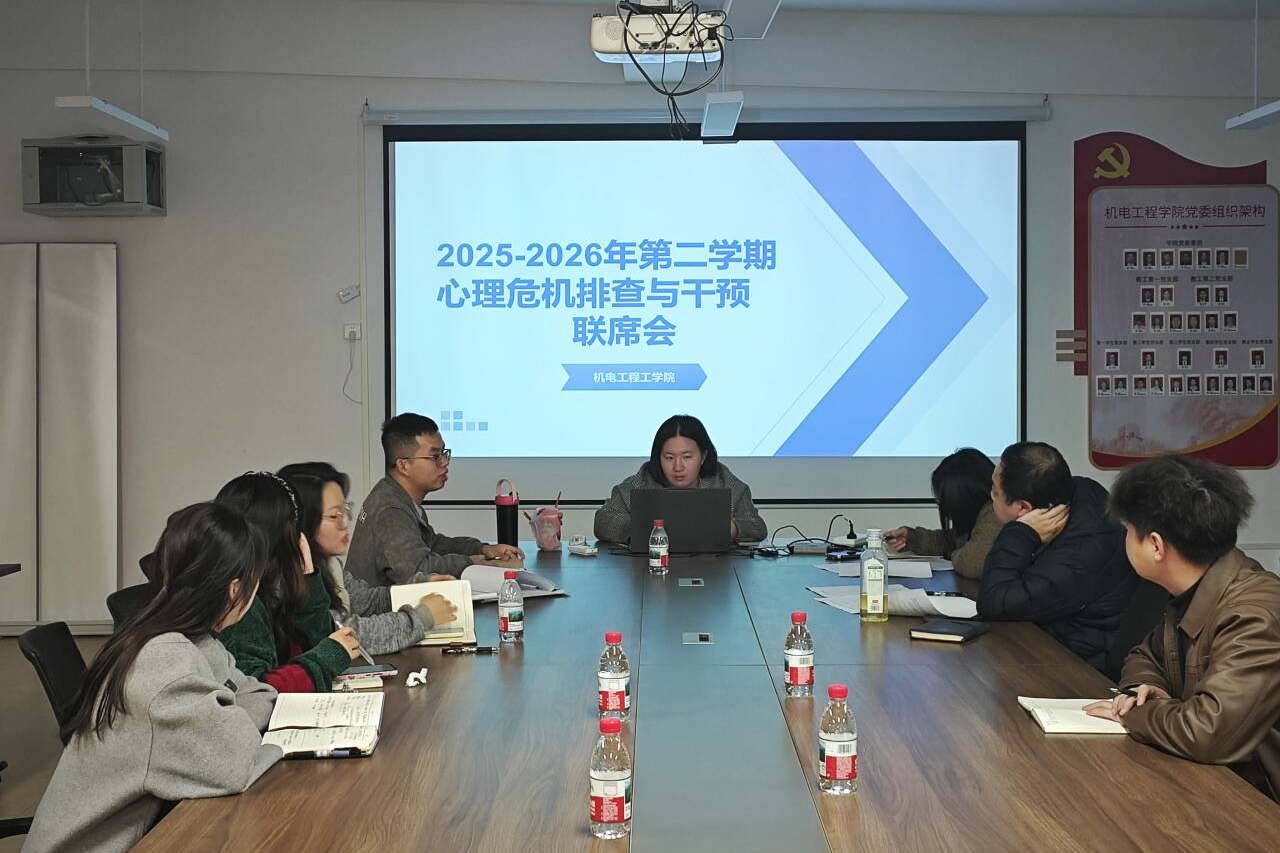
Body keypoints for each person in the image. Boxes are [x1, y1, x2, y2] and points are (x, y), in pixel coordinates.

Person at [22, 503, 282, 853]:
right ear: (236, 589)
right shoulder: (165, 664)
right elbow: (235, 763)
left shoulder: (183, 638)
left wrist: (228, 720)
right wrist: (269, 740)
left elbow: (259, 694)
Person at [1084, 457, 1280, 801]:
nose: (1124, 539)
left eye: (1128, 530)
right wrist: (1145, 689)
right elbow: (1145, 655)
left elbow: (1209, 732)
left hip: (1259, 801)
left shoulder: (1254, 614)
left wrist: (1136, 713)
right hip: (1216, 781)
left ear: (1155, 545)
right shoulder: (1193, 588)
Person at [977, 442, 1137, 672]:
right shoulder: (1078, 491)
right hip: (1052, 642)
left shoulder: (1077, 556)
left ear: (1022, 508)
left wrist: (1020, 533)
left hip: (1077, 668)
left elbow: (994, 602)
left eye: (995, 492)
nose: (991, 497)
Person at [279, 462, 457, 653]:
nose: (345, 522)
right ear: (302, 523)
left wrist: (419, 586)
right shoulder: (289, 578)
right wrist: (421, 618)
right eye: (335, 515)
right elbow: (346, 636)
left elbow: (366, 602)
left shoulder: (329, 564)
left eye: (345, 510)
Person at [215, 472, 360, 692]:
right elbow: (257, 693)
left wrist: (309, 578)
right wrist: (328, 658)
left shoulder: (273, 586)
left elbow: (322, 645)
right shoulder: (239, 599)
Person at [346, 413, 522, 589]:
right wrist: (472, 562)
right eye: (435, 456)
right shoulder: (391, 510)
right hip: (382, 607)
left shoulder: (396, 496)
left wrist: (482, 549)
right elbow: (419, 570)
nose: (444, 462)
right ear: (403, 465)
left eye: (444, 453)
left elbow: (432, 544)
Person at [593, 415, 767, 544]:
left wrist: (731, 528)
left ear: (703, 456)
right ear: (658, 458)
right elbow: (603, 521)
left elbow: (757, 526)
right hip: (651, 567)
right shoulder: (642, 481)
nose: (678, 467)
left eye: (687, 457)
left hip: (714, 570)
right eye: (669, 458)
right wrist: (646, 528)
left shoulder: (723, 481)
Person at [883, 448, 1001, 579]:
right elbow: (950, 541)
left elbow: (970, 564)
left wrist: (954, 553)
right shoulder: (980, 514)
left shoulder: (995, 514)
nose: (946, 509)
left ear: (963, 498)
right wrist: (912, 538)